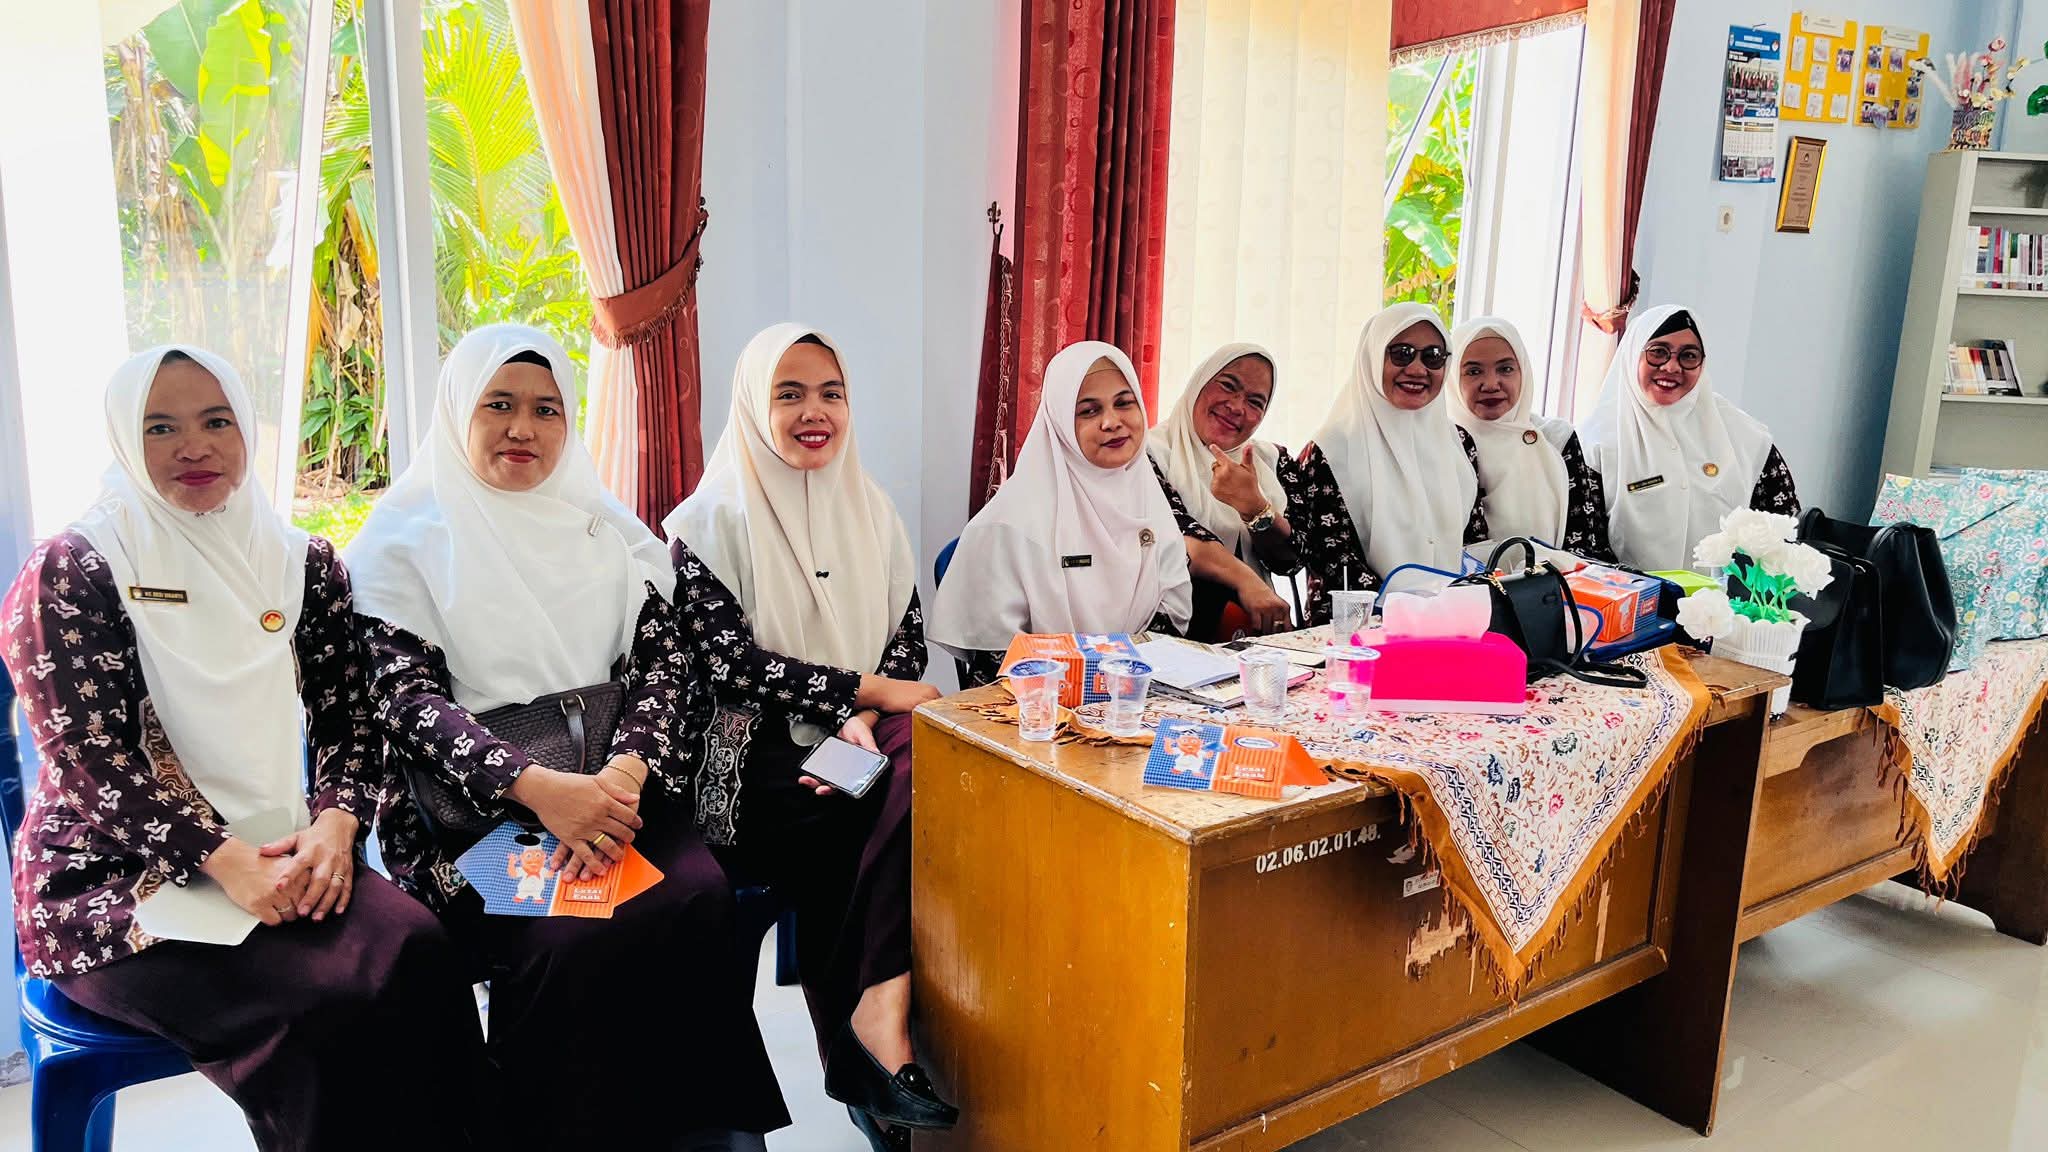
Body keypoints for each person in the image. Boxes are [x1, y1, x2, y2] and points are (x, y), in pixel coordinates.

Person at [0, 346, 489, 1151]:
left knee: (420, 950)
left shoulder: (298, 564)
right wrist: (225, 862)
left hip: (280, 842)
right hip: (110, 882)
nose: (195, 447)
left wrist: (335, 826)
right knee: (320, 1012)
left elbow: (348, 718)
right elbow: (87, 761)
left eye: (216, 421)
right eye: (161, 427)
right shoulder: (75, 570)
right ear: (124, 438)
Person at [345, 325, 785, 1150]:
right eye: (499, 405)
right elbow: (407, 704)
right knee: (571, 934)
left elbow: (664, 669)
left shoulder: (606, 531)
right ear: (457, 413)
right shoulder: (400, 545)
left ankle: (705, 1138)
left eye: (546, 409)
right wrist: (542, 793)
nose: (524, 428)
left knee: (696, 897)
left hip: (616, 796)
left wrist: (621, 778)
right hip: (476, 822)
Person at [663, 324, 957, 1152]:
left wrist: (858, 718)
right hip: (748, 758)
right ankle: (869, 1041)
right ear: (753, 407)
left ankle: (878, 1023)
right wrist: (859, 697)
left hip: (856, 745)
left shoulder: (873, 510)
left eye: (831, 393)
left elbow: (905, 642)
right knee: (879, 801)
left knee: (926, 760)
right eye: (788, 394)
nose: (813, 411)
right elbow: (731, 665)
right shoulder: (706, 522)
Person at [929, 342, 1193, 685]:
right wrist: (1088, 683)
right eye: (1089, 411)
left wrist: (1123, 680)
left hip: (1137, 692)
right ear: (1060, 424)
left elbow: (1170, 617)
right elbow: (996, 659)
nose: (1112, 422)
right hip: (1038, 701)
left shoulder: (1148, 500)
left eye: (1124, 403)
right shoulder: (1008, 524)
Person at [1292, 303, 1488, 614]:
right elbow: (1334, 561)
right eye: (1401, 354)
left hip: (1450, 619)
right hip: (1360, 625)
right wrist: (1411, 610)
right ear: (1372, 357)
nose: (1418, 370)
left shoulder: (1459, 444)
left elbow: (1472, 541)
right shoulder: (1331, 450)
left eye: (1433, 356)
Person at [1577, 305, 1800, 571]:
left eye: (1689, 356)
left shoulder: (1746, 438)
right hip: (1627, 595)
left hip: (1726, 596)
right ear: (1633, 354)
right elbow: (1584, 546)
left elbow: (1783, 530)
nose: (1672, 367)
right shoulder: (1594, 442)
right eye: (1658, 352)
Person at [1148, 343, 1306, 639]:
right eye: (1228, 386)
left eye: (1255, 402)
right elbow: (1175, 536)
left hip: (1251, 637)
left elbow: (1290, 562)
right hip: (1171, 634)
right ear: (1199, 382)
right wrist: (1247, 581)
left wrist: (1255, 508)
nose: (1236, 407)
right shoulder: (1148, 454)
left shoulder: (1273, 462)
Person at [1446, 317, 1615, 561]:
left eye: (1506, 369)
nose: (1491, 384)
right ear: (1452, 378)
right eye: (1473, 371)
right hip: (1475, 583)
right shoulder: (1448, 444)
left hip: (1560, 580)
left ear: (1523, 371)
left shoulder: (1556, 438)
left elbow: (1587, 536)